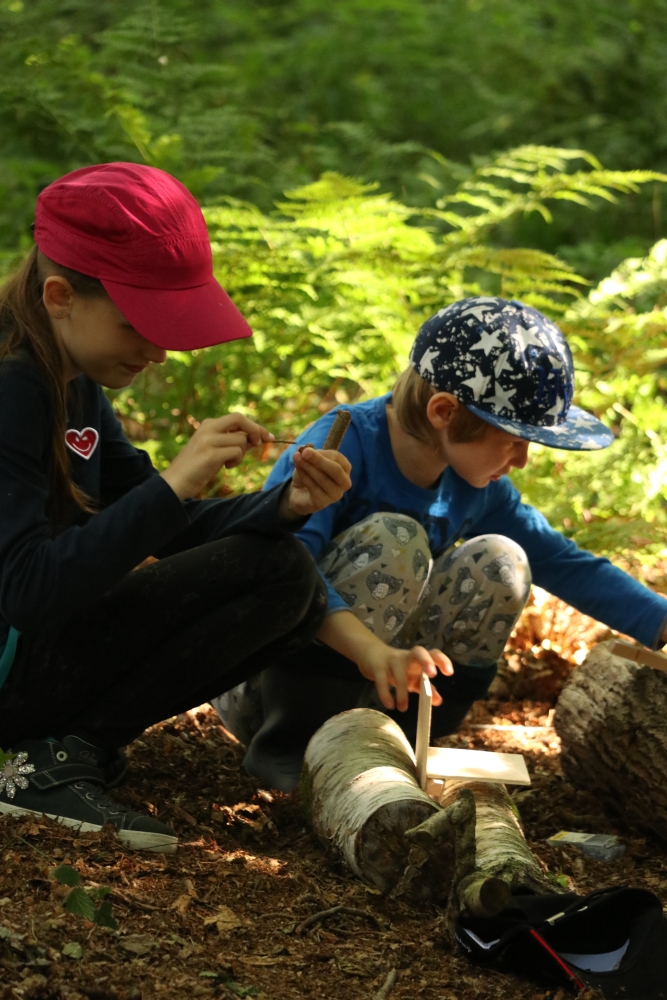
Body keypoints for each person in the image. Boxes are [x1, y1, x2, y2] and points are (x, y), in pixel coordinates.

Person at [0, 162, 351, 852]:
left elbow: (163, 522)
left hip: (27, 659)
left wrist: (283, 504)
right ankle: (41, 763)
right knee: (279, 577)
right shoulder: (13, 388)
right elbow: (25, 591)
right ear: (61, 295)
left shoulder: (68, 380)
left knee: (285, 575)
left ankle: (63, 749)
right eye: (139, 324)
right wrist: (174, 483)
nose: (158, 350)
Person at [215, 296, 667, 791]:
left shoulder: (476, 485)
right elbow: (280, 566)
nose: (522, 461)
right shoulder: (342, 447)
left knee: (503, 563)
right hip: (266, 679)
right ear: (444, 412)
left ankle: (407, 745)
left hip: (374, 683)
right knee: (396, 540)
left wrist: (660, 623)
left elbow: (562, 560)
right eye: (513, 439)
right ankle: (290, 746)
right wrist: (369, 651)